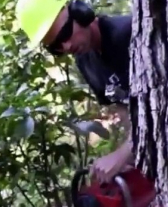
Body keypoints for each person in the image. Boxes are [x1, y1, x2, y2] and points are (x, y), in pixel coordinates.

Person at [15, 0, 134, 184]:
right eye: (55, 47)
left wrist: (124, 153)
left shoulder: (128, 34)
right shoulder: (85, 61)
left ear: (80, 12)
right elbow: (125, 113)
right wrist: (128, 158)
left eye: (64, 34)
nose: (67, 46)